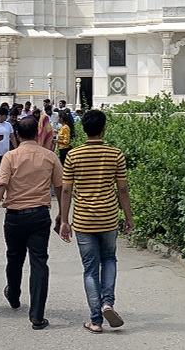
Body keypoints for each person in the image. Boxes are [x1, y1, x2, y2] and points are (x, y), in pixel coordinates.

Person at [0, 116, 67, 330]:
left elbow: (0, 185)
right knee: (39, 262)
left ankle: (13, 293)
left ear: (18, 135)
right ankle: (37, 315)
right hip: (39, 215)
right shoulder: (49, 156)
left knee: (14, 257)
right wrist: (62, 215)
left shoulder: (11, 157)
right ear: (38, 135)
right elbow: (61, 187)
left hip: (14, 216)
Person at [58, 109, 134, 334]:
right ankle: (108, 302)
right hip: (109, 218)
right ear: (104, 128)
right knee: (109, 259)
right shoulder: (115, 154)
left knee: (90, 269)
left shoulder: (73, 155)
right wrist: (128, 216)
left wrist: (64, 220)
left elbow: (66, 191)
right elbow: (122, 188)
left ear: (83, 129)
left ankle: (95, 320)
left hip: (83, 220)